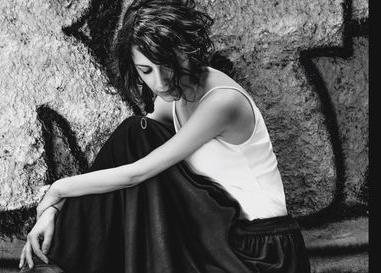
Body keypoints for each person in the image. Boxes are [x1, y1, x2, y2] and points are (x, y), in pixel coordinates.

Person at [19, 0, 311, 272]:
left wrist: (56, 191)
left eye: (166, 64)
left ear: (186, 50)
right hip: (218, 234)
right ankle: (58, 255)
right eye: (146, 70)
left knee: (139, 155)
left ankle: (63, 259)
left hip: (263, 251)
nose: (159, 82)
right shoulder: (174, 96)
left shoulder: (223, 103)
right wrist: (53, 210)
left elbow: (137, 173)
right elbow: (130, 150)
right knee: (134, 133)